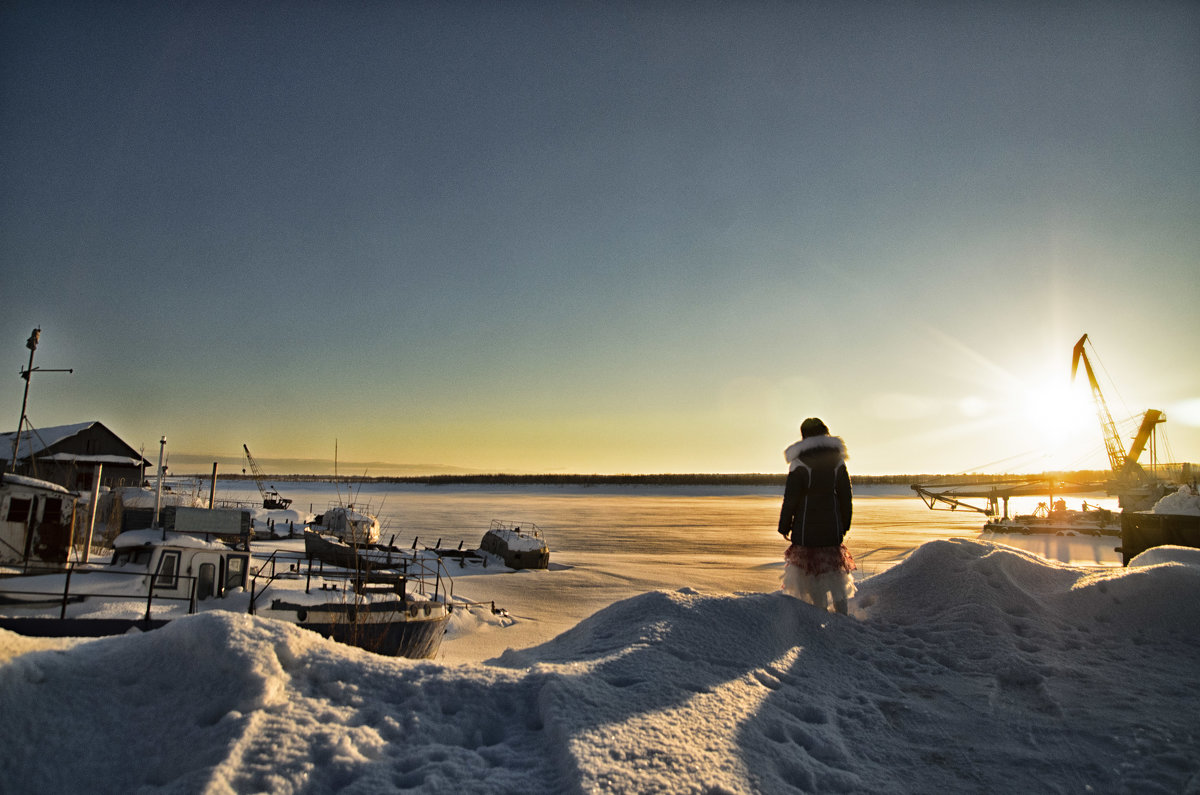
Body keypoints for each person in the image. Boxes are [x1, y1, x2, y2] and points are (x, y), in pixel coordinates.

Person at [778, 417, 856, 614]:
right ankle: (842, 616)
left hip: (806, 529)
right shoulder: (837, 461)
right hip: (832, 527)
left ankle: (819, 614)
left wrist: (784, 525)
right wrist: (844, 523)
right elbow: (846, 496)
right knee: (835, 574)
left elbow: (791, 498)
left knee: (812, 575)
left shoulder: (799, 463)